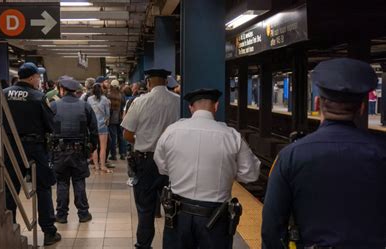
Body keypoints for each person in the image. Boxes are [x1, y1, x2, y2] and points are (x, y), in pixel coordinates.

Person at [262, 58, 386, 249]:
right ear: (362, 108)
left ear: (318, 103)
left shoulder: (290, 156)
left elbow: (272, 229)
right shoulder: (381, 153)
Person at [154, 88, 260, 249]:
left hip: (177, 214)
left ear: (191, 108)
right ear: (216, 106)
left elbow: (161, 166)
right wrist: (228, 172)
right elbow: (250, 175)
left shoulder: (172, 131)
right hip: (215, 218)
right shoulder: (232, 136)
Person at [121, 68, 180, 249]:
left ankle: (143, 245)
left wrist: (143, 140)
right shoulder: (178, 102)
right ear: (167, 81)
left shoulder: (140, 101)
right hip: (172, 162)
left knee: (145, 208)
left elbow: (127, 134)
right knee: (173, 209)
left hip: (145, 160)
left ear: (148, 82)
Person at [3, 62, 61, 246]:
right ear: (31, 77)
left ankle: (8, 226)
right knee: (43, 187)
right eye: (38, 77)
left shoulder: (3, 94)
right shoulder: (38, 96)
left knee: (11, 186)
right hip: (34, 147)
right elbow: (50, 125)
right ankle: (49, 232)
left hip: (10, 146)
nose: (39, 80)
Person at [50, 76, 98, 224]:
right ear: (75, 91)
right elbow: (94, 130)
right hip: (79, 151)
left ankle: (61, 215)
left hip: (59, 151)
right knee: (79, 181)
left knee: (62, 183)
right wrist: (91, 148)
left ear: (62, 90)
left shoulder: (54, 106)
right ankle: (83, 214)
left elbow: (47, 128)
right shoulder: (85, 106)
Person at [87, 83, 112, 173]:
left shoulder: (89, 99)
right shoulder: (105, 100)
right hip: (102, 126)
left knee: (94, 147)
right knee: (103, 147)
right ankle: (103, 166)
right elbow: (108, 114)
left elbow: (88, 112)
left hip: (92, 126)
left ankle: (96, 166)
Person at [107, 79, 127, 161]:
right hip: (120, 117)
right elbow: (124, 105)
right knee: (121, 136)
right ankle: (123, 154)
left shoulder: (108, 95)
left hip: (111, 118)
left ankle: (113, 155)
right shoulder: (121, 95)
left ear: (111, 86)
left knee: (113, 137)